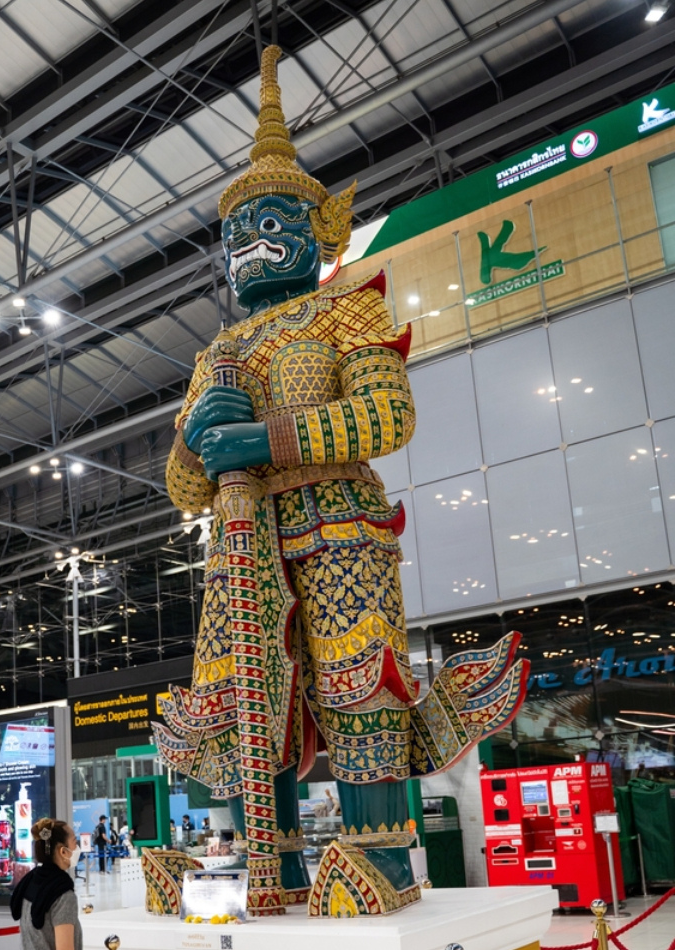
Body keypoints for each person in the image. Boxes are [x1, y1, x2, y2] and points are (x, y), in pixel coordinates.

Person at [153, 46, 527, 917]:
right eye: (234, 238)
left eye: (269, 227)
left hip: (340, 531)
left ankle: (381, 854)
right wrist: (201, 445)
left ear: (319, 230)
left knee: (357, 682)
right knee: (256, 701)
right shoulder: (218, 352)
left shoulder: (347, 308)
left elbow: (386, 419)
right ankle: (271, 864)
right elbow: (183, 487)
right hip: (244, 542)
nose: (248, 249)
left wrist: (266, 435)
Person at [10, 818, 82, 950]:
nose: (77, 848)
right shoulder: (63, 894)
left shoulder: (30, 881)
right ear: (63, 851)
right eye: (74, 842)